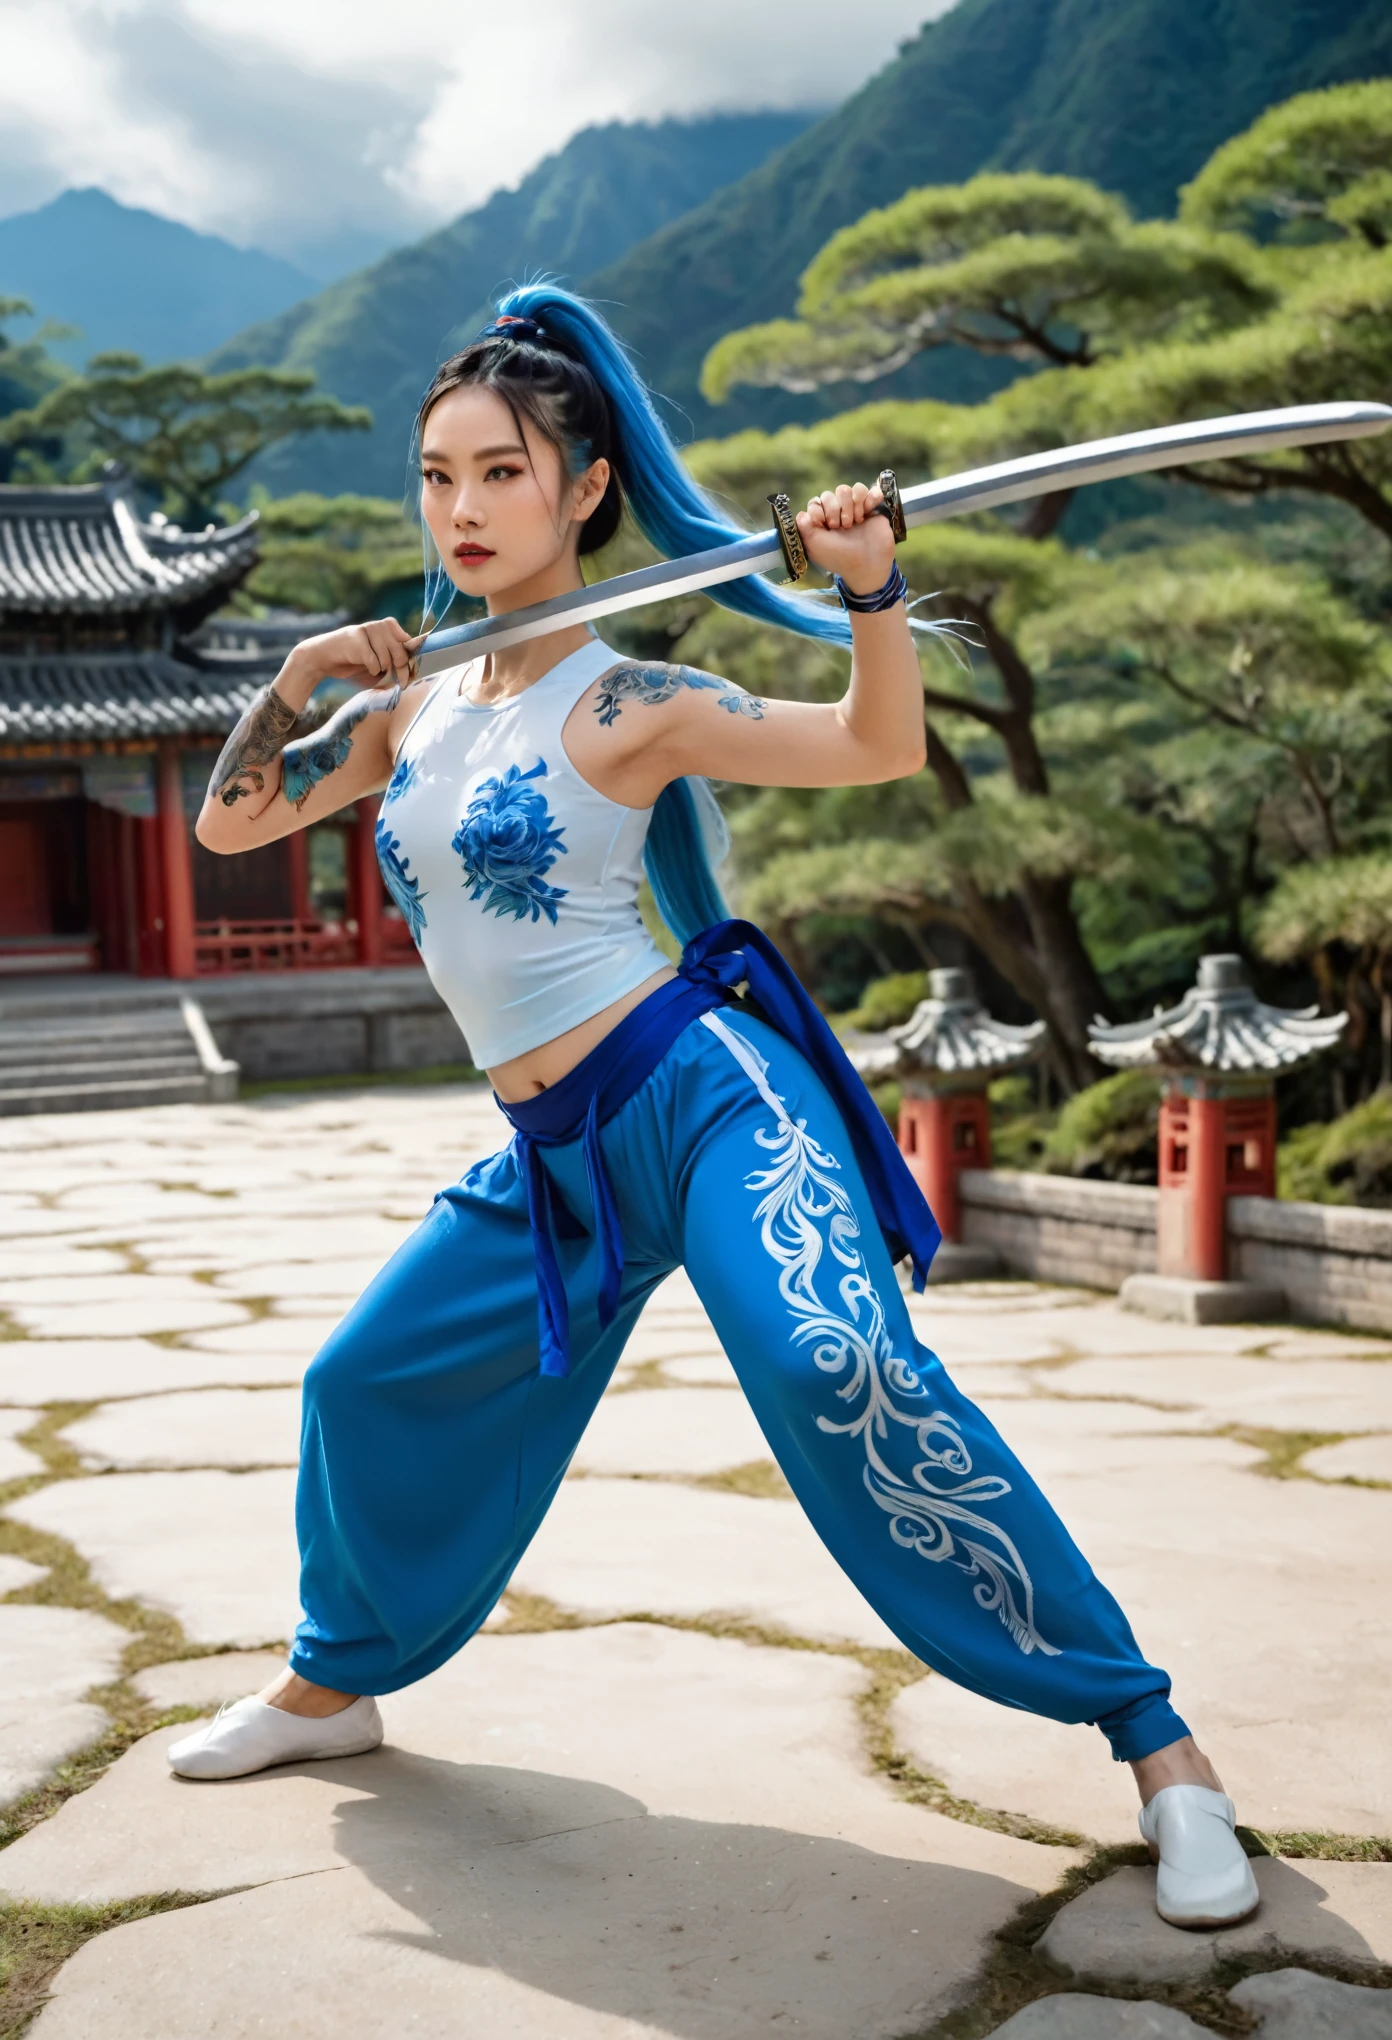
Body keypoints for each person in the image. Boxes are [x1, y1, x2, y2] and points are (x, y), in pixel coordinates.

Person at [174, 287, 1257, 1932]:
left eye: (501, 474)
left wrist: (874, 592)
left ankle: (1159, 1747)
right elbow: (228, 824)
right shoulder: (408, 705)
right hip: (554, 1165)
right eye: (436, 476)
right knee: (361, 1380)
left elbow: (879, 743)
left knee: (844, 1370)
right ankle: (342, 1684)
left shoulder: (633, 703)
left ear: (586, 488)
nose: (461, 509)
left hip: (700, 1103)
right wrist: (305, 672)